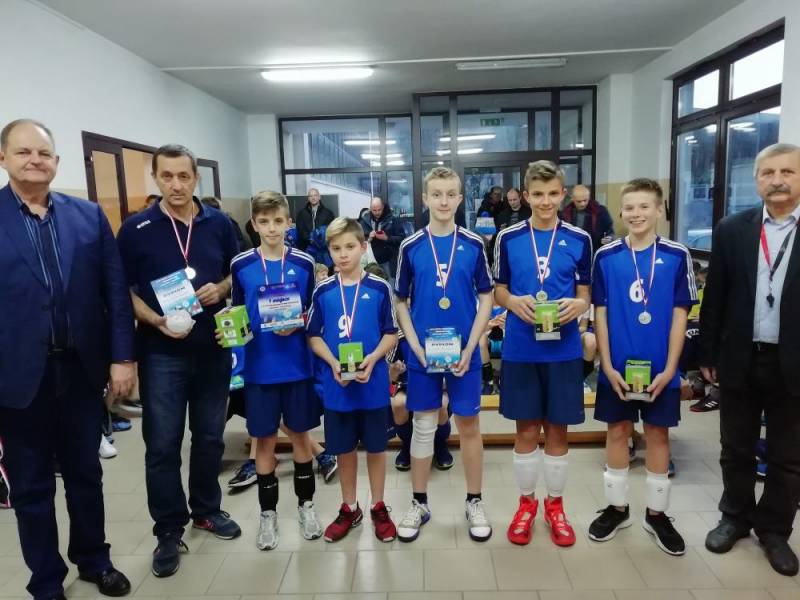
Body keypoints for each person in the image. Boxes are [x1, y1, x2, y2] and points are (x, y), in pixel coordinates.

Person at [0, 119, 136, 598]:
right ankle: (46, 580)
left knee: (86, 474)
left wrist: (123, 358)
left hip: (80, 371)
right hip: (17, 378)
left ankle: (94, 559)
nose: (35, 161)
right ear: (3, 158)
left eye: (44, 153)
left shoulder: (88, 216)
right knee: (31, 486)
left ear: (57, 162)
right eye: (23, 152)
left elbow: (115, 292)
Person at [116, 144, 241, 578]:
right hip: (161, 352)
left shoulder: (219, 223)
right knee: (163, 445)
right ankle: (168, 529)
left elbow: (238, 271)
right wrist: (155, 320)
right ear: (156, 177)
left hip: (212, 349)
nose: (176, 185)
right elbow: (122, 290)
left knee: (209, 437)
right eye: (167, 176)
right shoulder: (136, 229)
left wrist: (221, 288)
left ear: (195, 178)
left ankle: (206, 509)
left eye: (184, 176)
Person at [700, 143, 800, 577]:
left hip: (794, 360)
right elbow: (716, 295)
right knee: (735, 446)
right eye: (768, 173)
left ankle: (775, 530)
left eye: (787, 172)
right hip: (740, 355)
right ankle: (735, 517)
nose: (777, 180)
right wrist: (707, 352)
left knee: (788, 454)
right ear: (756, 180)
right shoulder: (732, 229)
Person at [588, 178, 697, 556]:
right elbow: (600, 314)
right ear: (621, 211)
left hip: (661, 369)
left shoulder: (677, 255)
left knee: (658, 435)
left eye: (644, 206)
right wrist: (606, 364)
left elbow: (681, 316)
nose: (636, 214)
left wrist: (671, 369)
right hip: (617, 367)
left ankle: (657, 514)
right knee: (618, 432)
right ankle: (617, 509)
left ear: (659, 209)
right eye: (630, 207)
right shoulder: (606, 256)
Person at [493, 160, 592, 547]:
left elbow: (585, 294)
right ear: (526, 195)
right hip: (521, 348)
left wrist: (579, 306)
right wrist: (512, 302)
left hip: (563, 348)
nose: (545, 201)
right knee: (525, 430)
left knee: (557, 430)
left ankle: (555, 506)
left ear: (563, 195)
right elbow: (499, 289)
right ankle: (526, 505)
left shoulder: (580, 239)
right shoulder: (508, 238)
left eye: (552, 194)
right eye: (538, 194)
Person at [394, 166, 494, 543]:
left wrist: (472, 345)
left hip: (464, 354)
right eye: (436, 194)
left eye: (451, 194)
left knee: (469, 425)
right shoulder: (411, 246)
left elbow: (487, 296)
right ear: (425, 198)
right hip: (423, 354)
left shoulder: (473, 243)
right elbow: (400, 301)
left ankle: (474, 501)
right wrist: (415, 346)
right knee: (423, 425)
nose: (444, 201)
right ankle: (419, 503)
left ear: (460, 198)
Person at [227, 190, 323, 550]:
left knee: (300, 438)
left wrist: (298, 321)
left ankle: (306, 506)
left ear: (289, 223)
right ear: (254, 224)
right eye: (264, 222)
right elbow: (238, 312)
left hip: (297, 366)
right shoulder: (241, 264)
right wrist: (231, 333)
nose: (271, 228)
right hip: (259, 369)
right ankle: (268, 514)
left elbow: (314, 312)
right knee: (264, 441)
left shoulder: (304, 263)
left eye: (278, 221)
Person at [307, 217, 399, 543]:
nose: (343, 254)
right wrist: (333, 363)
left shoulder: (379, 287)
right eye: (336, 248)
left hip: (372, 385)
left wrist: (374, 359)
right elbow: (313, 336)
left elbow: (391, 333)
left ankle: (378, 506)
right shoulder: (323, 291)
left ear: (363, 247)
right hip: (338, 387)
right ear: (329, 251)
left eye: (349, 247)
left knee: (376, 449)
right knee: (344, 450)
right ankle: (350, 507)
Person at [561, 184, 614, 252]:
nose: (582, 204)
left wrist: (610, 238)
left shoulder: (600, 211)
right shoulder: (565, 213)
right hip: (572, 250)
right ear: (572, 199)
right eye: (579, 201)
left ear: (589, 197)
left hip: (595, 250)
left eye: (585, 200)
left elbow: (610, 230)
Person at [359, 196, 403, 277]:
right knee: (372, 284)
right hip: (370, 262)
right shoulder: (364, 221)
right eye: (374, 210)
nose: (377, 212)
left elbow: (401, 239)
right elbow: (358, 239)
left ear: (383, 207)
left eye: (379, 210)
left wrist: (386, 238)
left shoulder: (393, 220)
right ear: (370, 209)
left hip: (388, 260)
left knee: (390, 282)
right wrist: (369, 238)